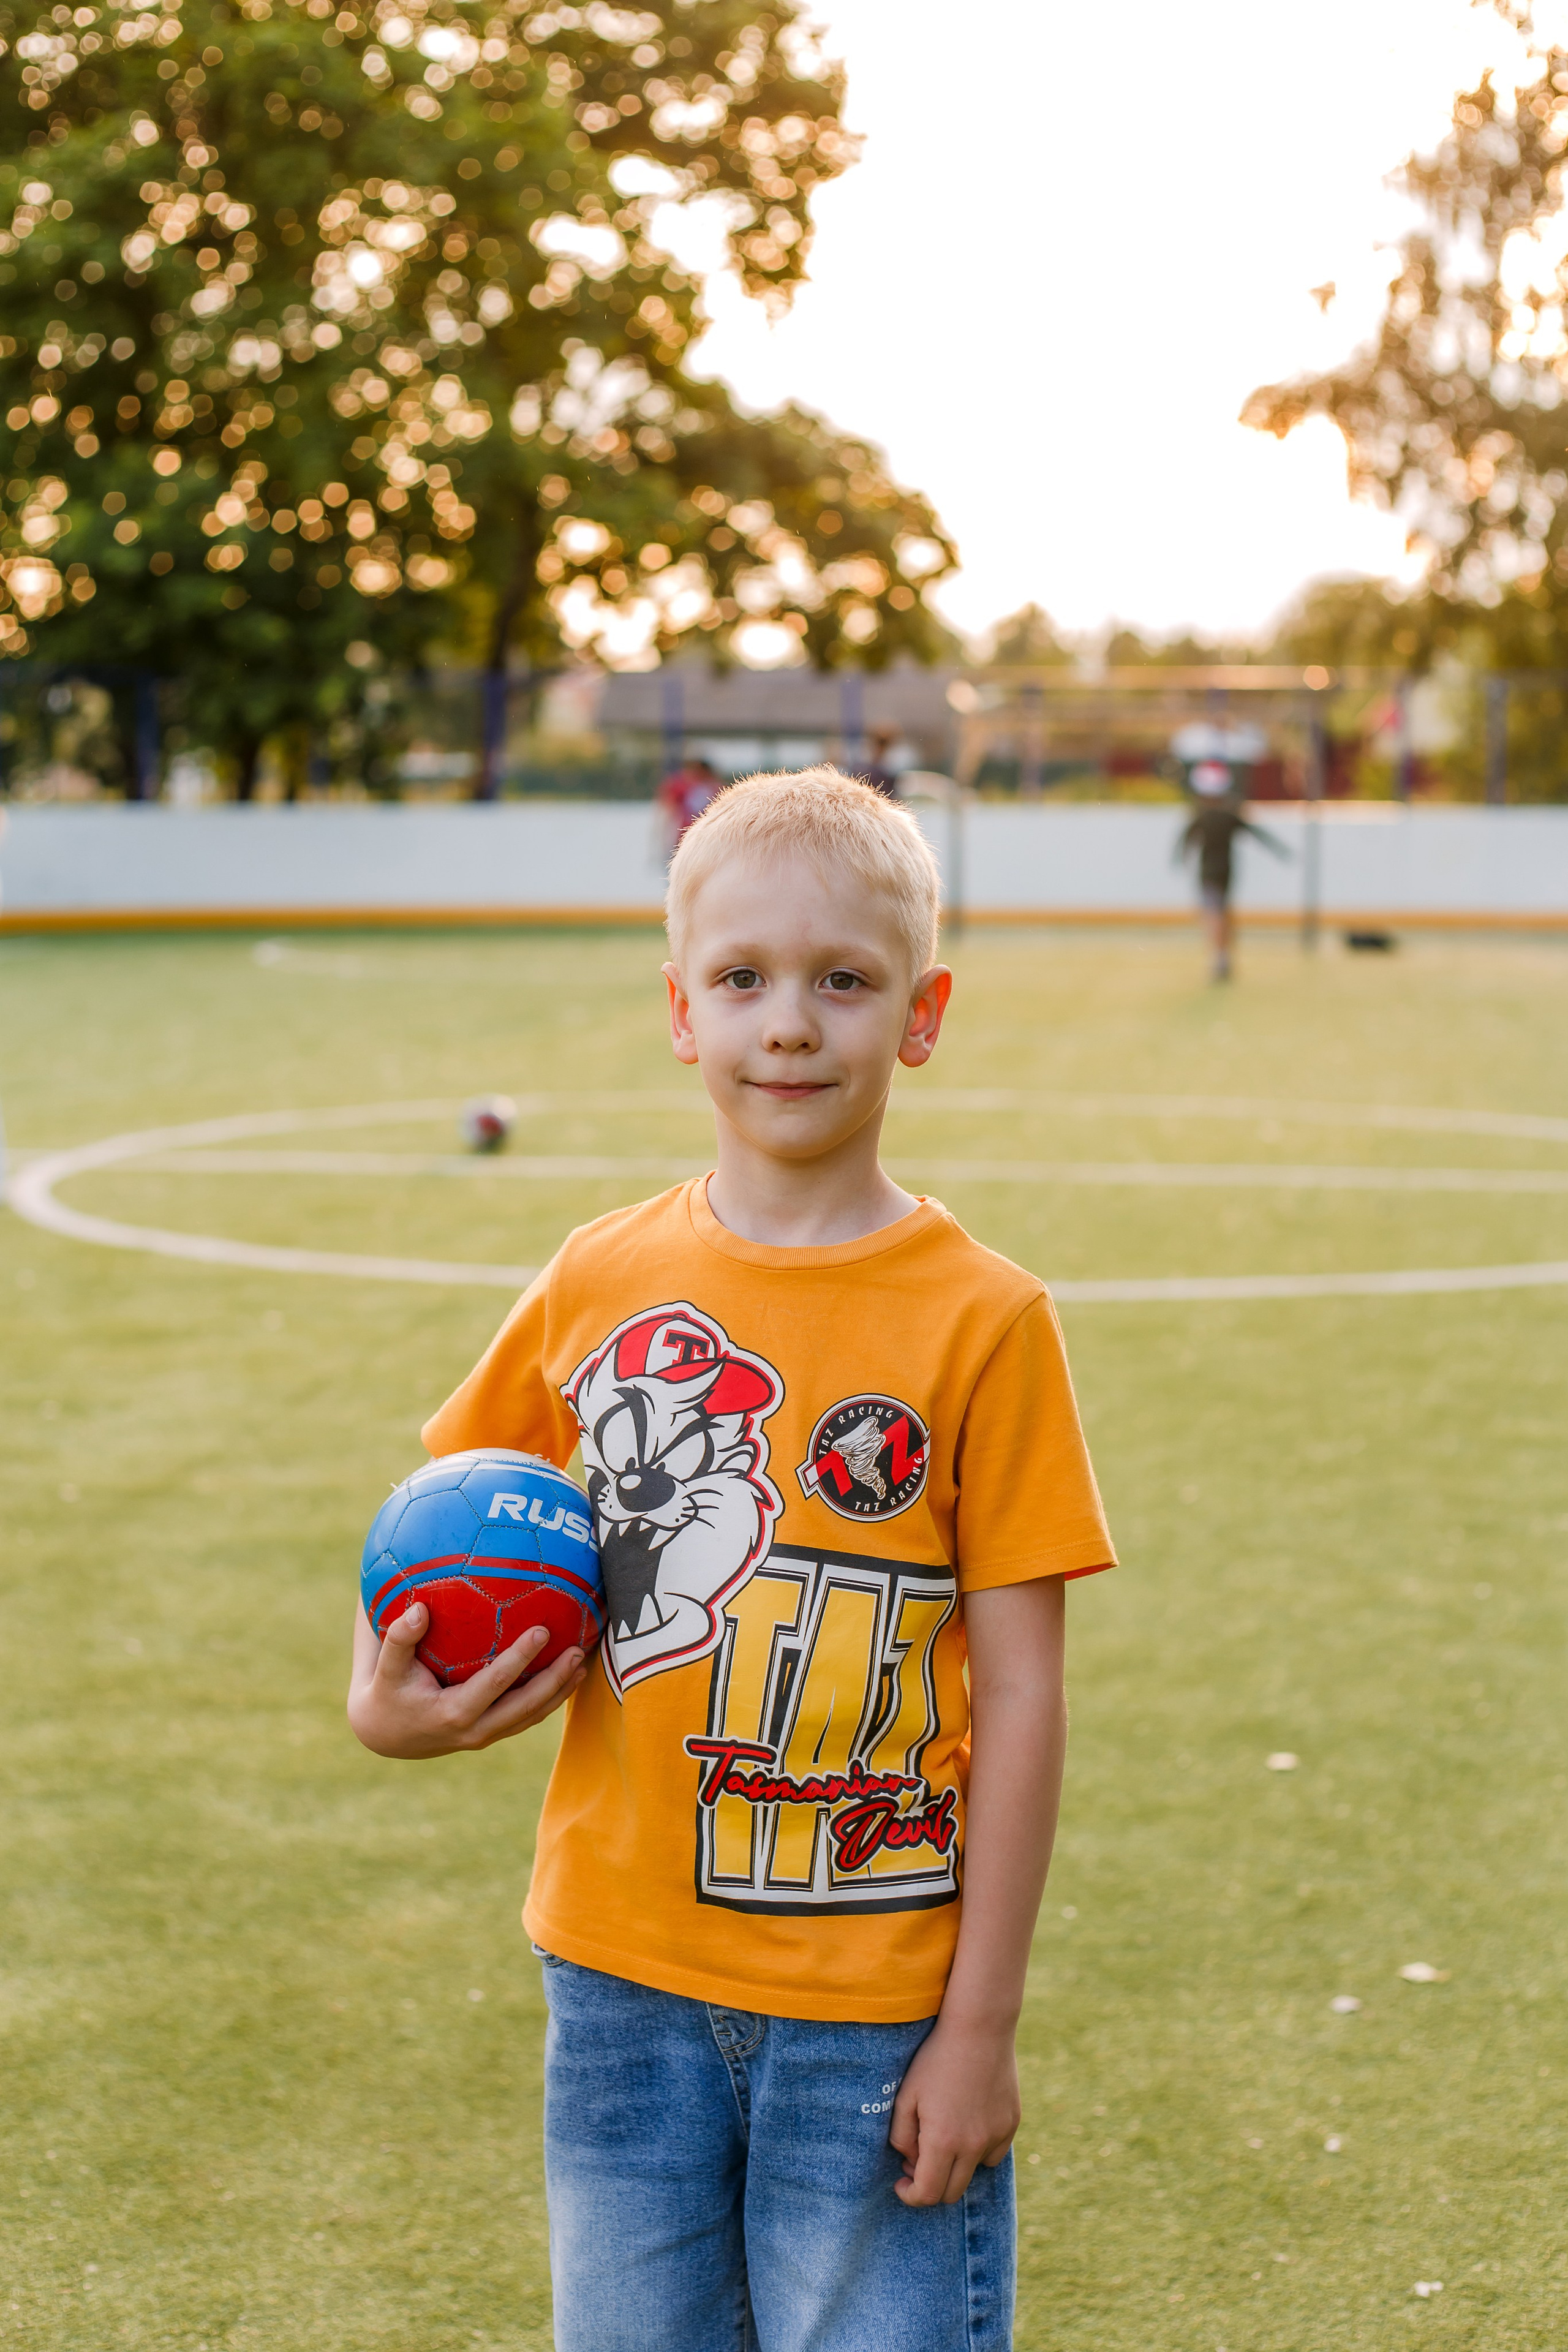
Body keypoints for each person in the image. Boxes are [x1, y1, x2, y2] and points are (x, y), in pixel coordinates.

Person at [347, 768, 1115, 2352]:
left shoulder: (987, 1323)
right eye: (745, 980)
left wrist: (981, 2023)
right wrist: (387, 1705)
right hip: (620, 1989)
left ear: (924, 1012)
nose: (792, 1025)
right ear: (682, 1012)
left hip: (878, 2006)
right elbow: (451, 1529)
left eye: (845, 981)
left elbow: (1028, 1696)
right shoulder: (597, 1278)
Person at [1176, 761, 1287, 981]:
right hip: (1227, 871)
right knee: (1223, 913)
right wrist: (1280, 850)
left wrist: (1180, 857)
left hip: (1209, 872)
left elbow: (1186, 840)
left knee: (1213, 914)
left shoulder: (1202, 814)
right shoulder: (1228, 814)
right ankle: (1224, 956)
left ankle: (1219, 958)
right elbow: (1258, 834)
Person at [656, 753, 722, 856]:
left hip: (705, 837)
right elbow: (669, 808)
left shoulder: (716, 789)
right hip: (688, 837)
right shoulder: (684, 786)